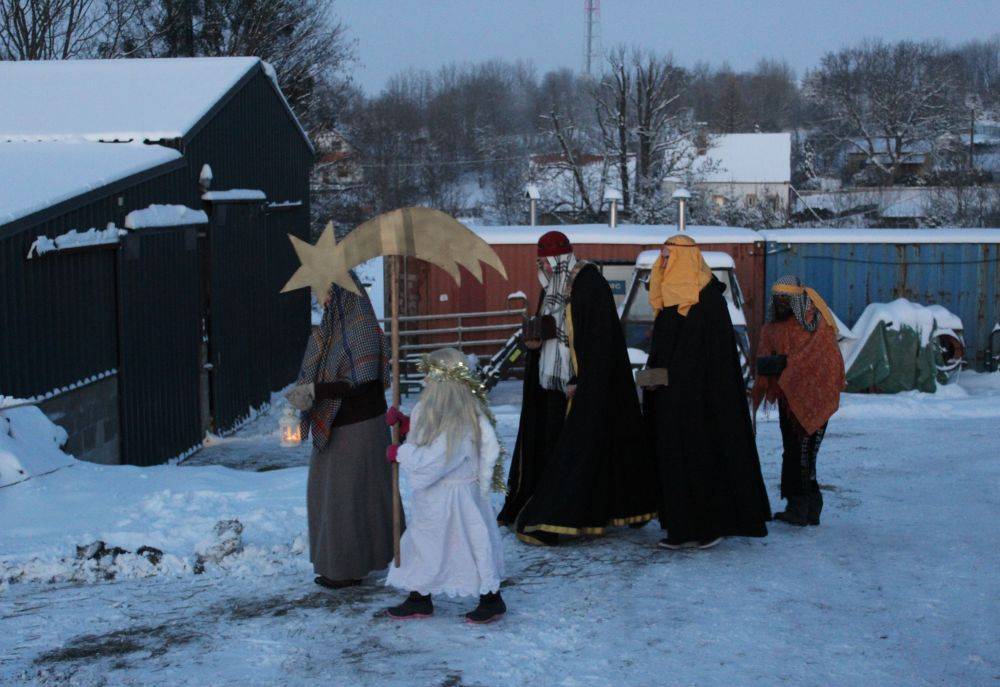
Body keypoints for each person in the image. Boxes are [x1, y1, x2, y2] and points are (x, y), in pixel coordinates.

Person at [498, 230, 658, 545]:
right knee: (553, 448)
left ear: (560, 258)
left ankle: (561, 516)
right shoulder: (551, 287)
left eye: (547, 260)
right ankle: (554, 505)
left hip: (581, 389)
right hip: (550, 385)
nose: (543, 266)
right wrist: (535, 343)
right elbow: (553, 329)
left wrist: (582, 380)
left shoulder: (589, 284)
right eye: (541, 261)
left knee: (577, 454)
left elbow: (600, 340)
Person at [643, 234, 771, 550]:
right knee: (673, 462)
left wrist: (673, 382)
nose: (663, 263)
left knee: (702, 460)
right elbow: (663, 352)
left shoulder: (709, 301)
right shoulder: (668, 301)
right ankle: (680, 527)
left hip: (701, 404)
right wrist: (651, 380)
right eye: (662, 258)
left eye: (669, 257)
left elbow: (710, 360)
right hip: (670, 400)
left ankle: (709, 526)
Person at [286, 276, 397, 589]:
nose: (320, 298)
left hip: (359, 426)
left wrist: (316, 390)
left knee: (348, 498)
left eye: (321, 290)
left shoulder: (360, 326)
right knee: (331, 494)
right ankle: (346, 564)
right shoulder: (334, 326)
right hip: (338, 424)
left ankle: (348, 568)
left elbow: (362, 382)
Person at [384, 348, 507, 624]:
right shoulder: (436, 409)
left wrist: (401, 453)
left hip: (458, 501)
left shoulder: (461, 420)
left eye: (430, 375)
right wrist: (406, 427)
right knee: (423, 546)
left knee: (470, 547)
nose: (425, 380)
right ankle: (419, 596)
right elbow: (428, 436)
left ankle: (491, 599)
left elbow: (435, 460)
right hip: (435, 501)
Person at [752, 276, 845, 527]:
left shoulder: (816, 325)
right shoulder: (773, 328)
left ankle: (804, 507)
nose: (781, 303)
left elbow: (827, 362)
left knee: (805, 454)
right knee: (793, 452)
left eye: (786, 299)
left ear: (797, 299)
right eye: (778, 299)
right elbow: (765, 356)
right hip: (788, 399)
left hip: (815, 398)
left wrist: (787, 365)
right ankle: (802, 505)